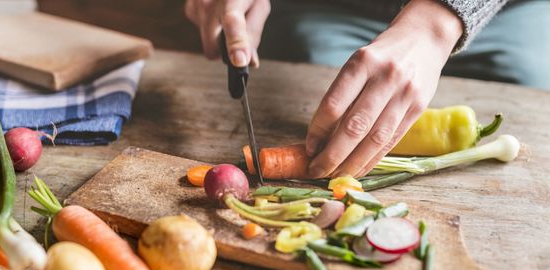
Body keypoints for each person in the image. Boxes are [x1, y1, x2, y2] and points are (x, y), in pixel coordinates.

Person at [184, 0, 549, 178]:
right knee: (324, 85)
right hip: (333, 9)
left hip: (507, 13)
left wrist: (434, 23)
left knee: (528, 79)